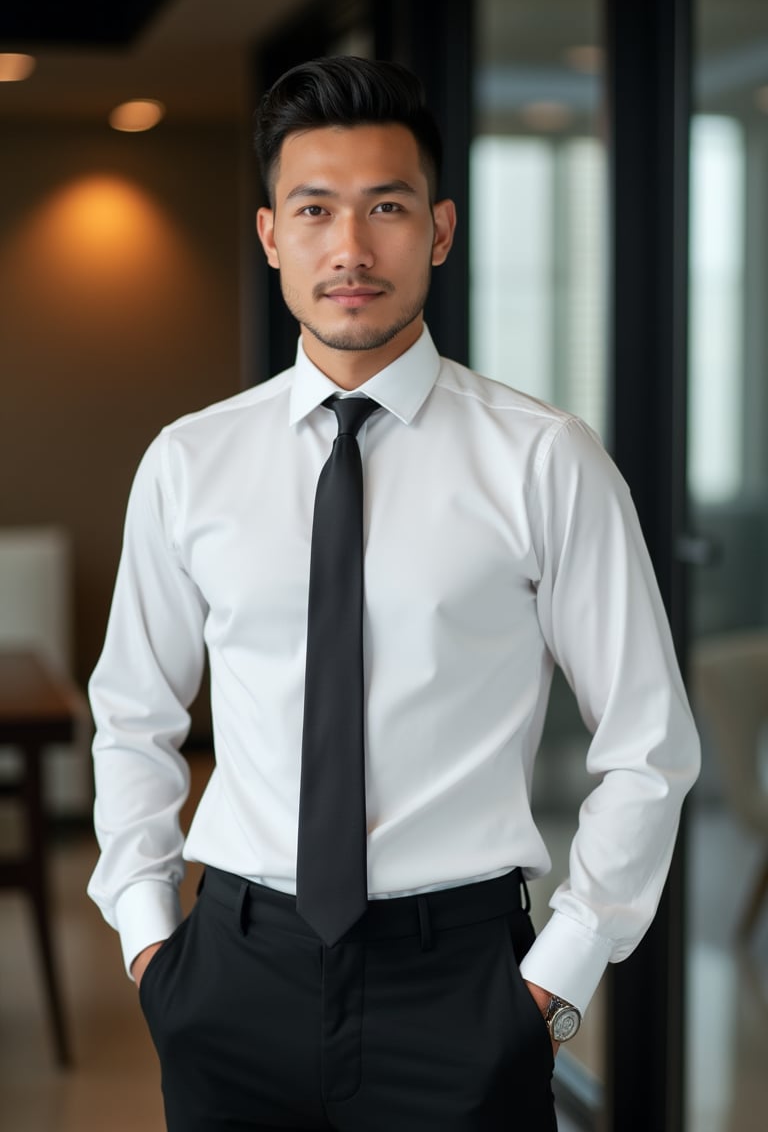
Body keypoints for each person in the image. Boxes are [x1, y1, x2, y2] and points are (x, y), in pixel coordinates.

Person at [88, 56, 700, 1131]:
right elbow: (132, 717)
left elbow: (650, 743)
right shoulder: (191, 462)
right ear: (272, 233)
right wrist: (151, 943)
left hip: (461, 987)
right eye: (316, 209)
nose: (352, 248)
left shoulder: (543, 460)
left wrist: (553, 980)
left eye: (387, 207)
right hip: (232, 973)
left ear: (442, 230)